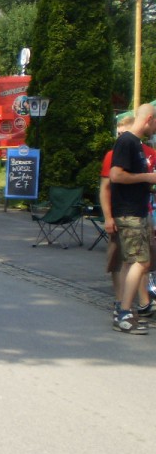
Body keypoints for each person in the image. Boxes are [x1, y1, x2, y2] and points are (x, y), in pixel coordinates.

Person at [109, 102, 156, 334]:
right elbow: (116, 176)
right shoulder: (127, 141)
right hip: (129, 213)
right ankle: (125, 314)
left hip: (136, 210)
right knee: (142, 262)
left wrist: (149, 182)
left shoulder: (136, 143)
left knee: (131, 261)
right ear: (149, 120)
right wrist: (148, 177)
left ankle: (123, 310)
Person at [100, 114, 152, 320]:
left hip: (140, 212)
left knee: (135, 262)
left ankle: (136, 304)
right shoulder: (118, 150)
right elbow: (108, 184)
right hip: (124, 213)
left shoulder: (144, 150)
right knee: (130, 261)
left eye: (122, 132)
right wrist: (107, 217)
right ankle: (123, 307)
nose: (119, 137)